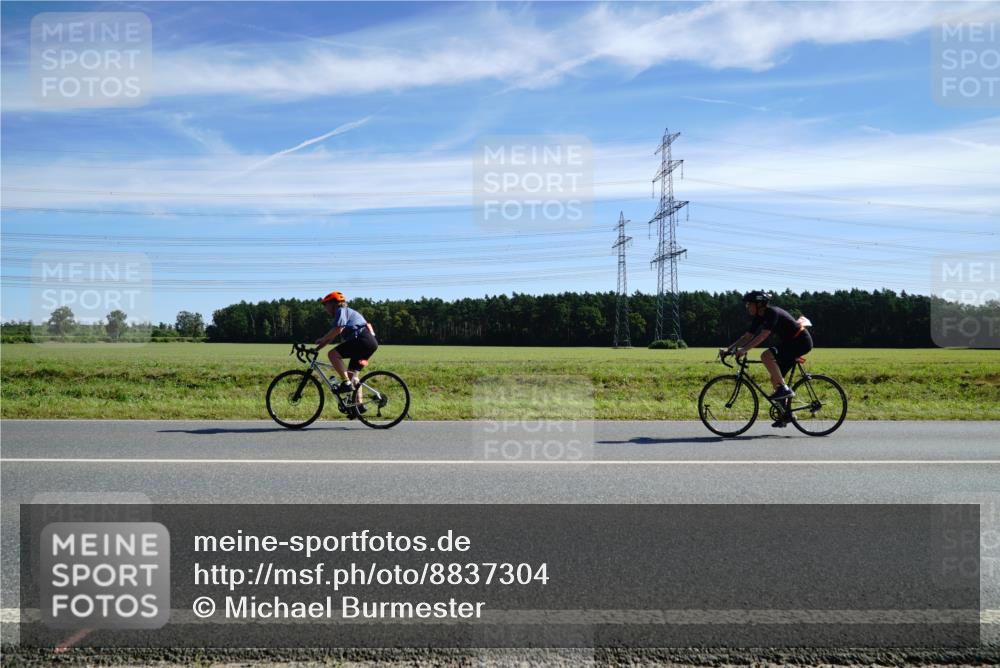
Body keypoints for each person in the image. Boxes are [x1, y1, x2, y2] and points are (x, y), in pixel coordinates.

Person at [725, 290, 813, 427]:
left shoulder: (772, 313)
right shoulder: (760, 316)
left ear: (759, 304)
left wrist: (744, 350)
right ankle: (786, 414)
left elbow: (763, 336)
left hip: (800, 342)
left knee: (766, 356)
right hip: (790, 342)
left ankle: (785, 389)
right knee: (775, 378)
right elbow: (747, 336)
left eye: (749, 304)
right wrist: (729, 349)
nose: (747, 306)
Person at [314, 291, 378, 402]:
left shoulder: (341, 310)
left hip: (362, 340)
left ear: (334, 303)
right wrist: (316, 350)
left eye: (326, 305)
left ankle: (346, 383)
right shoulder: (344, 312)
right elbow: (331, 337)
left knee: (332, 354)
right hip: (369, 343)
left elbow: (339, 329)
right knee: (352, 376)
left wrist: (323, 338)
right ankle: (359, 407)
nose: (325, 308)